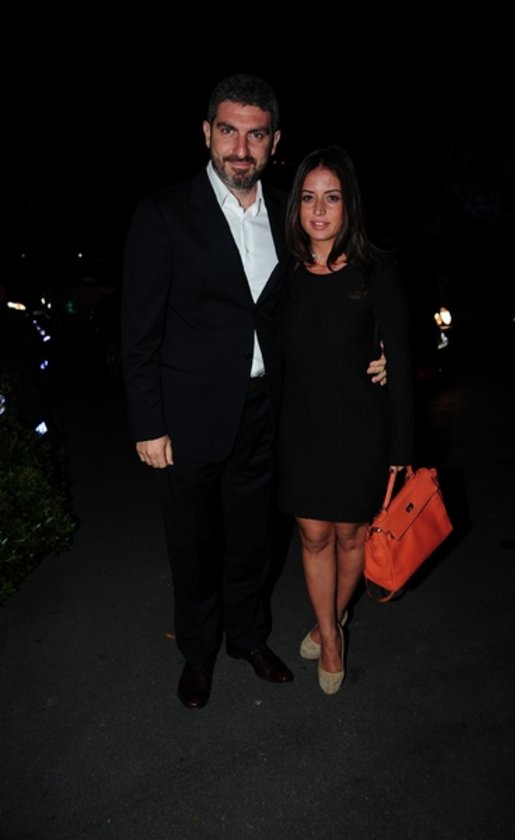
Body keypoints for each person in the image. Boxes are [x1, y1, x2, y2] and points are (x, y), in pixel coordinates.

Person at [121, 75, 387, 710]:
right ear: (207, 134)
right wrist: (147, 423)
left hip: (270, 411)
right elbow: (138, 331)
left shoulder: (292, 217)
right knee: (193, 544)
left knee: (253, 540)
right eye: (229, 131)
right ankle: (198, 652)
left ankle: (246, 637)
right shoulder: (163, 214)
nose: (241, 148)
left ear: (274, 141)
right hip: (187, 417)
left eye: (256, 135)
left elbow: (331, 293)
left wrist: (380, 349)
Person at [277, 146, 414, 694]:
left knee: (352, 534)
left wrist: (402, 449)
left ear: (348, 205)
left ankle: (327, 617)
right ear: (296, 205)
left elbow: (401, 364)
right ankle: (331, 636)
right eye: (308, 198)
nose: (318, 210)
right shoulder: (283, 273)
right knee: (313, 536)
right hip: (300, 428)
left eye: (331, 198)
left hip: (361, 427)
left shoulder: (377, 271)